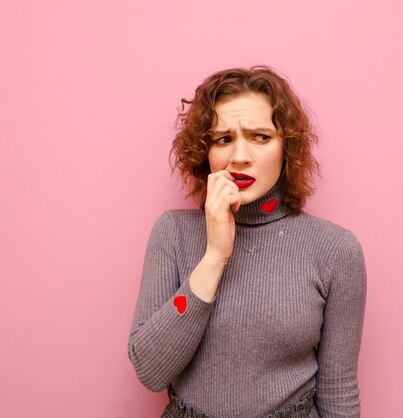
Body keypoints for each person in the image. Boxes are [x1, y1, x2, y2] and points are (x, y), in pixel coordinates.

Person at [128, 66, 367, 418]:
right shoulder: (173, 234)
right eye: (223, 140)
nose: (239, 156)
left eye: (260, 137)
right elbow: (150, 370)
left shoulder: (335, 250)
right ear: (205, 152)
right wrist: (215, 255)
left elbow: (339, 393)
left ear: (287, 147)